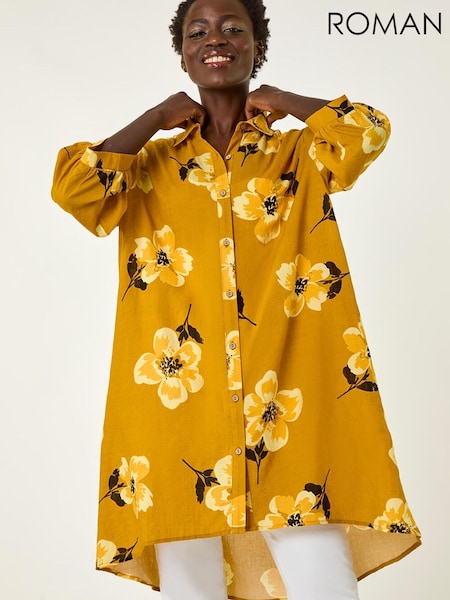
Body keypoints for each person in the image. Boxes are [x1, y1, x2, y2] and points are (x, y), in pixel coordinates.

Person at [51, 0, 421, 598]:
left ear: (257, 46)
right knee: (189, 578)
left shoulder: (299, 153)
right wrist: (155, 117)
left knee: (321, 571)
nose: (215, 39)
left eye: (232, 28)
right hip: (176, 409)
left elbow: (367, 131)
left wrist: (285, 100)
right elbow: (74, 189)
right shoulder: (146, 167)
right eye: (197, 32)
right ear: (183, 55)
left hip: (290, 396)